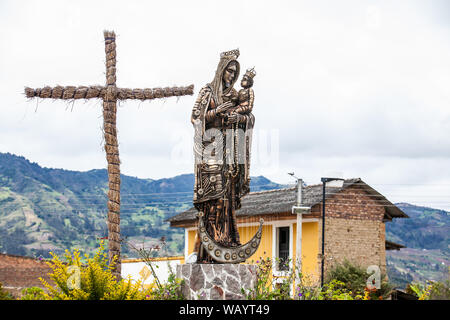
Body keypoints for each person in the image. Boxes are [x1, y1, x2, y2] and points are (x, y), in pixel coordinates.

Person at [191, 49, 255, 263]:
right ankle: (207, 243)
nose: (232, 75)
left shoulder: (236, 95)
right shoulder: (207, 91)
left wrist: (237, 117)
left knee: (226, 196)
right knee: (213, 196)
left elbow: (248, 115)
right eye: (229, 70)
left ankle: (226, 239)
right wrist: (217, 112)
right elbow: (195, 117)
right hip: (211, 148)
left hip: (228, 150)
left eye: (235, 72)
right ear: (221, 70)